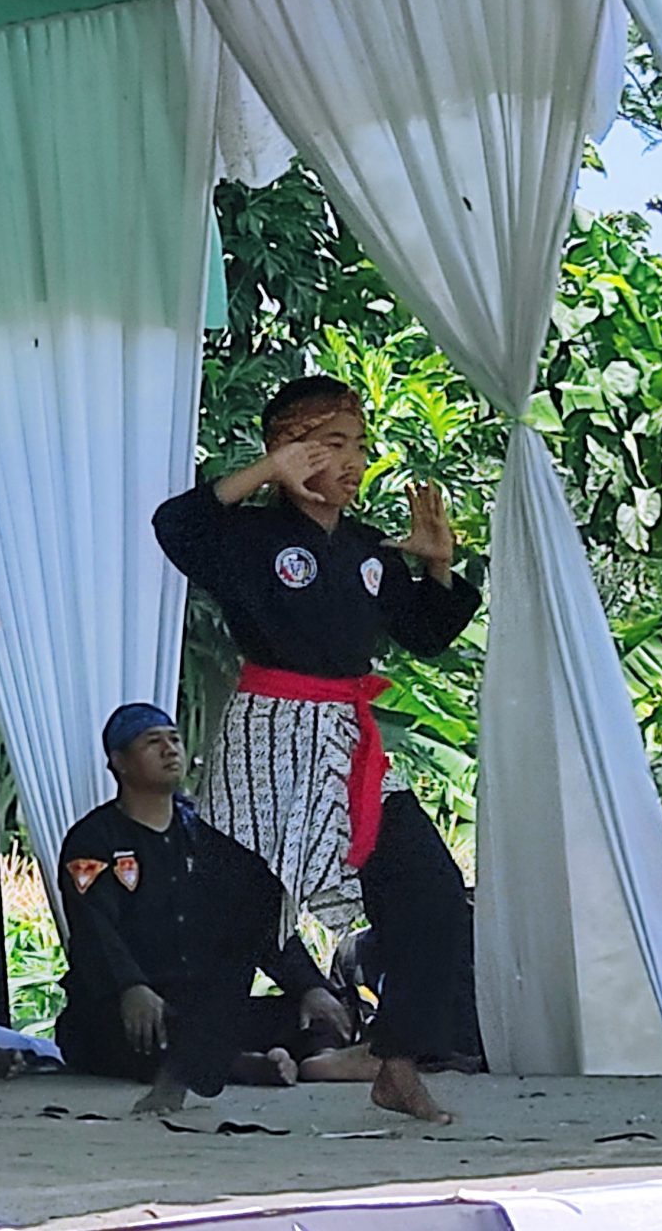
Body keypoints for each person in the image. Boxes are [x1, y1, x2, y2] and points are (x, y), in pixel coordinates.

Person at [153, 375, 480, 1123]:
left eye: (358, 445)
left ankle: (396, 1060)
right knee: (237, 908)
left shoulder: (366, 549)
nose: (354, 461)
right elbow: (176, 527)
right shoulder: (247, 538)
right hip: (269, 732)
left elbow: (427, 634)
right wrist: (268, 473)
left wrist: (435, 564)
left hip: (346, 743)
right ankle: (183, 1071)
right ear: (287, 450)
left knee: (430, 889)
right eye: (331, 444)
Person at [54, 704, 353, 1112]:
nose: (169, 750)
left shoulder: (211, 832)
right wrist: (130, 986)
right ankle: (243, 1065)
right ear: (119, 762)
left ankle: (306, 1059)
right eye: (152, 742)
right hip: (131, 1005)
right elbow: (94, 928)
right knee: (124, 1037)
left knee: (324, 1013)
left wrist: (310, 986)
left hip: (204, 1002)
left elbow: (255, 919)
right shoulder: (92, 839)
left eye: (174, 739)